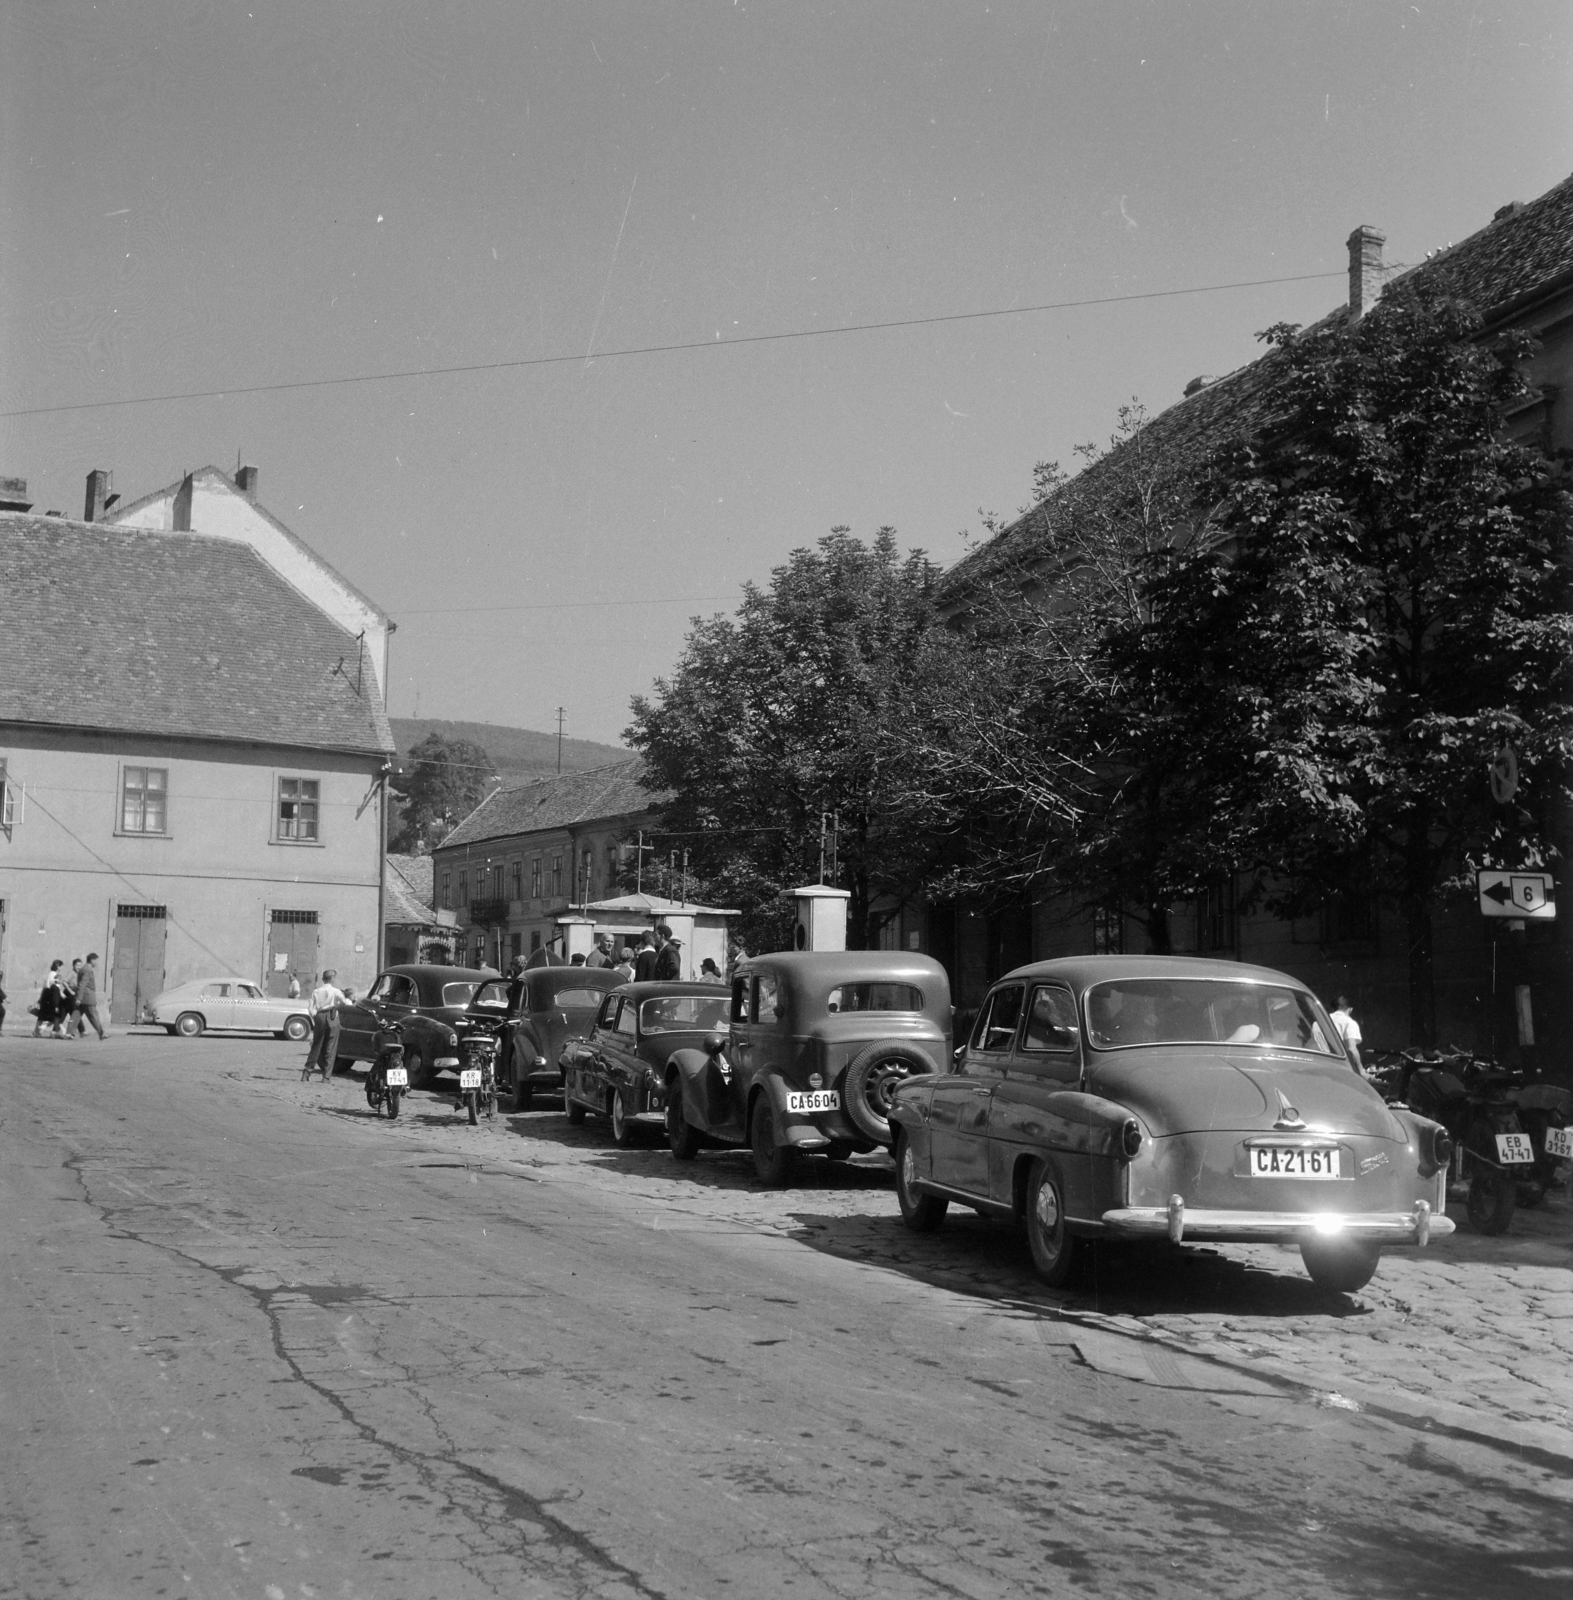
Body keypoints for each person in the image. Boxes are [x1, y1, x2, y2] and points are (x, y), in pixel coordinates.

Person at [304, 968, 346, 1081]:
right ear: (333, 979)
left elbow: (310, 1008)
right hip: (332, 1016)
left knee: (316, 1045)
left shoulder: (316, 991)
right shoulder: (336, 991)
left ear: (323, 979)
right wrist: (336, 1008)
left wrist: (316, 1017)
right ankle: (326, 1076)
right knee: (330, 1047)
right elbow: (344, 1002)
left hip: (319, 1015)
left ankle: (307, 1073)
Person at [73, 953, 107, 1040]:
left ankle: (69, 1033)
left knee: (76, 1015)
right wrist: (79, 998)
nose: (96, 963)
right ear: (92, 960)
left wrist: (79, 997)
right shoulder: (87, 970)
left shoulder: (84, 969)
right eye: (96, 961)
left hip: (83, 997)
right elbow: (82, 984)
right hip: (87, 997)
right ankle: (102, 1033)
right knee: (93, 1016)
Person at [1329, 994, 1363, 1074]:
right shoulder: (1350, 1023)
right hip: (1341, 1069)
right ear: (1350, 1009)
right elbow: (1352, 1049)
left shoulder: (1322, 1021)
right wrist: (1361, 1071)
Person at [33, 960, 67, 1038]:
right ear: (58, 966)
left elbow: (46, 986)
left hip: (46, 995)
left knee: (42, 1015)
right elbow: (54, 985)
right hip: (51, 997)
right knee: (54, 1015)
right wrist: (61, 994)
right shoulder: (54, 974)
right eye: (61, 966)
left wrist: (40, 999)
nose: (61, 968)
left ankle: (37, 1032)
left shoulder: (50, 974)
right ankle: (51, 1032)